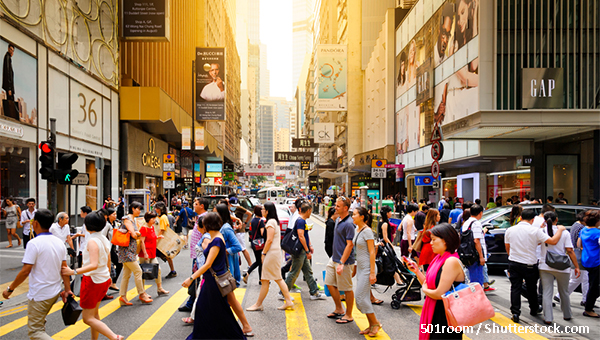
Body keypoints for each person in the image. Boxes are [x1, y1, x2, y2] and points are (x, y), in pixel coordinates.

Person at [2, 209, 76, 340]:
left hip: (40, 294)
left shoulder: (34, 243)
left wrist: (10, 289)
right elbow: (64, 269)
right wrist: (67, 290)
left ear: (35, 223)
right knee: (40, 324)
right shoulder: (59, 242)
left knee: (35, 332)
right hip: (54, 292)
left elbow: (25, 270)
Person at [181, 212, 247, 340]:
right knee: (215, 309)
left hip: (214, 281)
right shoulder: (215, 237)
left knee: (209, 308)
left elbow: (208, 264)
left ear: (207, 224)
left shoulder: (216, 239)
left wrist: (191, 278)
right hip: (213, 279)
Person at [61, 212, 123, 340]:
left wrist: (73, 272)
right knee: (94, 315)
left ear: (87, 225)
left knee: (87, 318)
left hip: (93, 280)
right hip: (103, 279)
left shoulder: (92, 241)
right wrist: (108, 274)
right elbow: (108, 259)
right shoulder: (104, 239)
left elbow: (93, 265)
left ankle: (114, 337)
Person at [405, 223, 465, 340]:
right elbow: (428, 284)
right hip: (436, 312)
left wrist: (425, 290)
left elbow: (439, 294)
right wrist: (417, 271)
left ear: (446, 241)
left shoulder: (451, 261)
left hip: (446, 317)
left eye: (433, 240)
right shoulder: (438, 258)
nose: (430, 243)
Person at [504, 209, 566, 323]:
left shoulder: (510, 230)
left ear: (521, 218)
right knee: (532, 288)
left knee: (515, 288)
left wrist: (513, 256)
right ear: (533, 220)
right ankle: (534, 309)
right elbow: (552, 241)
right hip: (530, 264)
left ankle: (515, 312)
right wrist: (560, 230)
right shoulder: (535, 231)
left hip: (514, 262)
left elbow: (507, 247)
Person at [246, 202, 294, 311]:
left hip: (271, 254)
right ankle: (288, 301)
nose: (262, 211)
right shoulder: (273, 221)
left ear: (267, 211)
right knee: (273, 279)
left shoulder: (270, 222)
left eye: (263, 209)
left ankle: (258, 304)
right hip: (275, 253)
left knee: (267, 279)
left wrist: (263, 253)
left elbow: (269, 240)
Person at [538, 211, 580, 324]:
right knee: (564, 292)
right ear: (556, 220)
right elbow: (570, 250)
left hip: (545, 265)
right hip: (562, 266)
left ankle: (548, 318)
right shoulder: (564, 232)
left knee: (547, 292)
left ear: (545, 221)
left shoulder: (541, 231)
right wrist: (576, 266)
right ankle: (567, 314)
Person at [284, 202, 327, 300]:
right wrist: (307, 251)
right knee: (294, 272)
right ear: (308, 211)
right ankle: (283, 293)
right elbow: (301, 236)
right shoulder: (301, 221)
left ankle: (314, 292)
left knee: (308, 272)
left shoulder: (301, 220)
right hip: (300, 251)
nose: (310, 213)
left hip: (302, 250)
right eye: (310, 211)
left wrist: (309, 245)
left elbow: (305, 235)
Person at [351, 207, 381, 336]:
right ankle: (371, 325)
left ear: (362, 216)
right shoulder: (356, 230)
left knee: (359, 297)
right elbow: (357, 252)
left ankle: (376, 323)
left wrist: (372, 272)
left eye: (354, 214)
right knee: (363, 297)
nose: (352, 217)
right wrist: (355, 267)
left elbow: (372, 252)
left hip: (368, 268)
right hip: (361, 268)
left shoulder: (367, 232)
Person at [325, 197, 356, 324]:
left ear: (345, 208)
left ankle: (349, 314)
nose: (335, 208)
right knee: (329, 282)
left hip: (345, 261)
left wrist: (342, 262)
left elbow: (350, 245)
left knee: (347, 288)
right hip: (334, 258)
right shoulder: (338, 219)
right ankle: (339, 308)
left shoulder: (349, 224)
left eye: (338, 206)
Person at [118, 201, 153, 306]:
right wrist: (138, 233)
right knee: (138, 271)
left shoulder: (133, 219)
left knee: (126, 274)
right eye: (138, 209)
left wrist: (137, 234)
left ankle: (122, 297)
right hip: (126, 251)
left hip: (130, 250)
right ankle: (142, 294)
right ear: (133, 208)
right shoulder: (127, 219)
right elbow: (134, 235)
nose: (139, 211)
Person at [180, 197, 209, 313]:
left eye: (196, 204)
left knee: (196, 279)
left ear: (202, 206)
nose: (194, 206)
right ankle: (192, 302)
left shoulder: (204, 218)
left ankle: (192, 303)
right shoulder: (199, 218)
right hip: (196, 254)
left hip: (200, 256)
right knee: (196, 279)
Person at [555, 210, 589, 306]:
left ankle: (585, 298)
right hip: (579, 255)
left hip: (575, 254)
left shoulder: (575, 225)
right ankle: (585, 299)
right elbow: (579, 244)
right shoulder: (582, 228)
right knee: (582, 278)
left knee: (579, 278)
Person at [138, 211, 170, 296]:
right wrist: (145, 253)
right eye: (153, 218)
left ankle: (160, 288)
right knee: (144, 272)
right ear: (148, 219)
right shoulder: (143, 228)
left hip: (152, 253)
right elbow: (142, 242)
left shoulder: (151, 227)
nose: (155, 220)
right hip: (146, 254)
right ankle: (142, 292)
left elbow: (152, 237)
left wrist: (158, 237)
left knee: (157, 269)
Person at [578, 210, 600, 318]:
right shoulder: (597, 233)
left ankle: (588, 303)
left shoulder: (583, 230)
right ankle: (588, 308)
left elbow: (579, 244)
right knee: (594, 286)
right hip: (596, 261)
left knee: (593, 284)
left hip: (586, 259)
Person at [229, 197, 253, 270]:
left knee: (242, 248)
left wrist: (245, 223)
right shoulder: (228, 209)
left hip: (239, 230)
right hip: (234, 230)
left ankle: (250, 264)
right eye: (233, 205)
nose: (234, 207)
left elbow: (250, 213)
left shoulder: (238, 208)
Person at [155, 202, 177, 278]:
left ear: (159, 209)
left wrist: (156, 240)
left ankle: (152, 271)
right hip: (163, 239)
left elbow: (162, 229)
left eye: (156, 208)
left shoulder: (163, 217)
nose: (155, 209)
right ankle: (172, 271)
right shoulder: (161, 217)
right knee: (167, 256)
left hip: (163, 240)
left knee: (166, 256)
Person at [244, 205, 265, 284]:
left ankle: (260, 279)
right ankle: (248, 273)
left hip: (254, 243)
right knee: (259, 262)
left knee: (259, 261)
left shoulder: (253, 220)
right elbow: (262, 233)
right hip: (260, 244)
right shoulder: (261, 221)